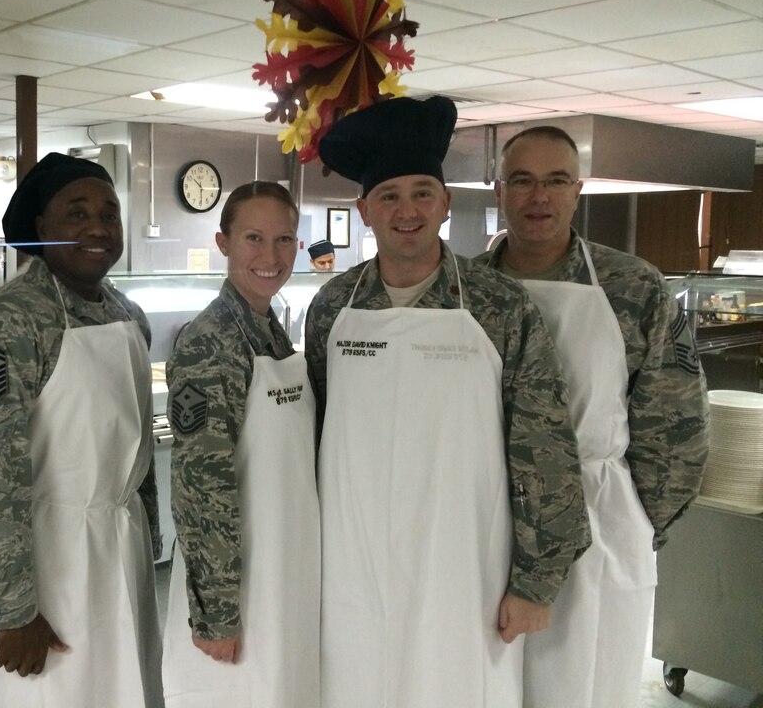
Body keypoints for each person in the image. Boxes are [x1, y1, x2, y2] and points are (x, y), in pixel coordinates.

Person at [304, 96, 592, 708]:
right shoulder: (331, 308)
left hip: (464, 566)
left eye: (420, 192)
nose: (405, 210)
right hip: (352, 565)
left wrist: (536, 582)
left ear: (445, 202)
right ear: (363, 210)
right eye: (388, 196)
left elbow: (544, 448)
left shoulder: (498, 306)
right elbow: (317, 431)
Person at [476, 125, 710, 708]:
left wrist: (632, 521)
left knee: (583, 688)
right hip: (481, 513)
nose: (539, 197)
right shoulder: (465, 289)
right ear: (498, 190)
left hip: (595, 520)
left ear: (577, 191)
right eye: (523, 181)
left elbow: (676, 428)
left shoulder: (634, 288)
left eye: (556, 181)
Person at [0, 152, 163, 708]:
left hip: (118, 543)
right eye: (77, 212)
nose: (97, 227)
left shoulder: (125, 313)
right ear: (41, 228)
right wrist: (11, 608)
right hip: (43, 560)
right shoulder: (9, 322)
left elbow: (137, 455)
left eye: (109, 214)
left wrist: (150, 536)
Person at [163, 181, 319, 708]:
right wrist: (216, 613)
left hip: (282, 565)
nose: (270, 256)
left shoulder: (270, 332)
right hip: (237, 581)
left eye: (284, 239)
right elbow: (200, 488)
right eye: (253, 237)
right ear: (223, 242)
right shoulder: (212, 342)